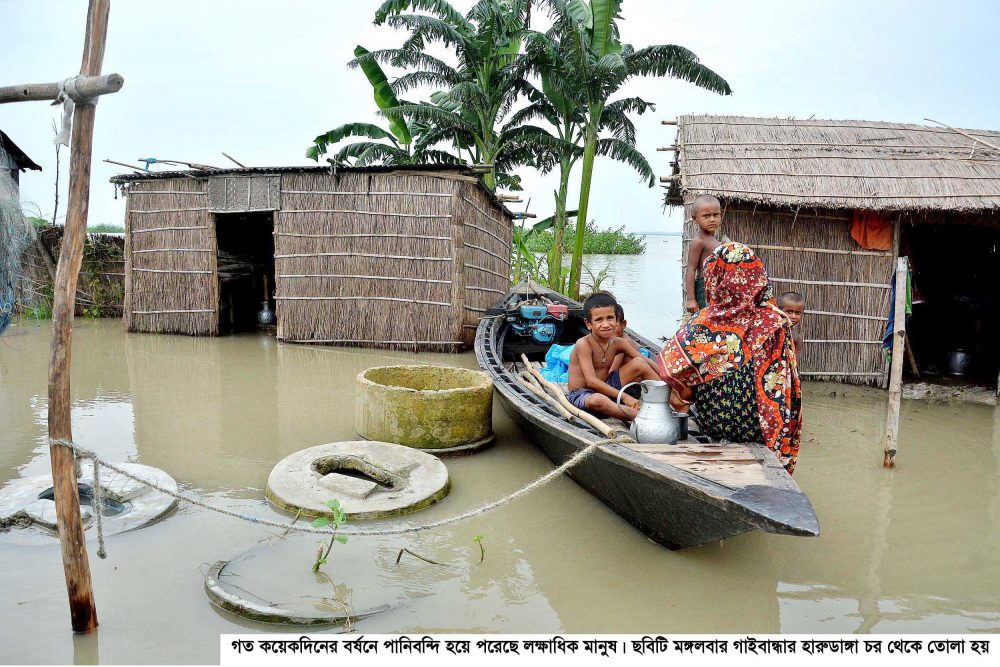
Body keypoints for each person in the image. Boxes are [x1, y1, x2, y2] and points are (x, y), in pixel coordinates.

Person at [658, 242, 802, 474]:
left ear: (716, 279)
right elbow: (788, 385)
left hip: (714, 422)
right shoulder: (777, 322)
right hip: (762, 427)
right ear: (758, 278)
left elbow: (671, 367)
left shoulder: (704, 321)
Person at [567, 293, 661, 420]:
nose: (605, 324)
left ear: (617, 321)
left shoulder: (618, 342)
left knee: (639, 363)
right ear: (588, 324)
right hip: (583, 393)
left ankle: (676, 404)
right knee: (598, 400)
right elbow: (591, 381)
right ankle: (646, 417)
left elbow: (645, 361)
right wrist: (625, 397)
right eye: (599, 320)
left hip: (607, 386)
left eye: (610, 318)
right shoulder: (583, 344)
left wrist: (671, 381)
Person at [684, 194, 723, 314]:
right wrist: (691, 299)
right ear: (695, 219)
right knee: (705, 319)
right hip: (704, 287)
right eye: (706, 216)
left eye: (715, 215)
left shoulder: (715, 241)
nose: (712, 219)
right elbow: (691, 270)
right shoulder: (699, 241)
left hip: (717, 288)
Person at [609, 302, 660, 376]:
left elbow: (612, 371)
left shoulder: (622, 343)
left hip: (636, 381)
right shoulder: (619, 339)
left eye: (614, 326)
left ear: (623, 324)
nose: (609, 331)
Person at [778, 291, 805, 359]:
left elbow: (795, 363)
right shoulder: (772, 333)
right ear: (779, 311)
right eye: (789, 312)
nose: (793, 316)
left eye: (798, 313)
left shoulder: (797, 338)